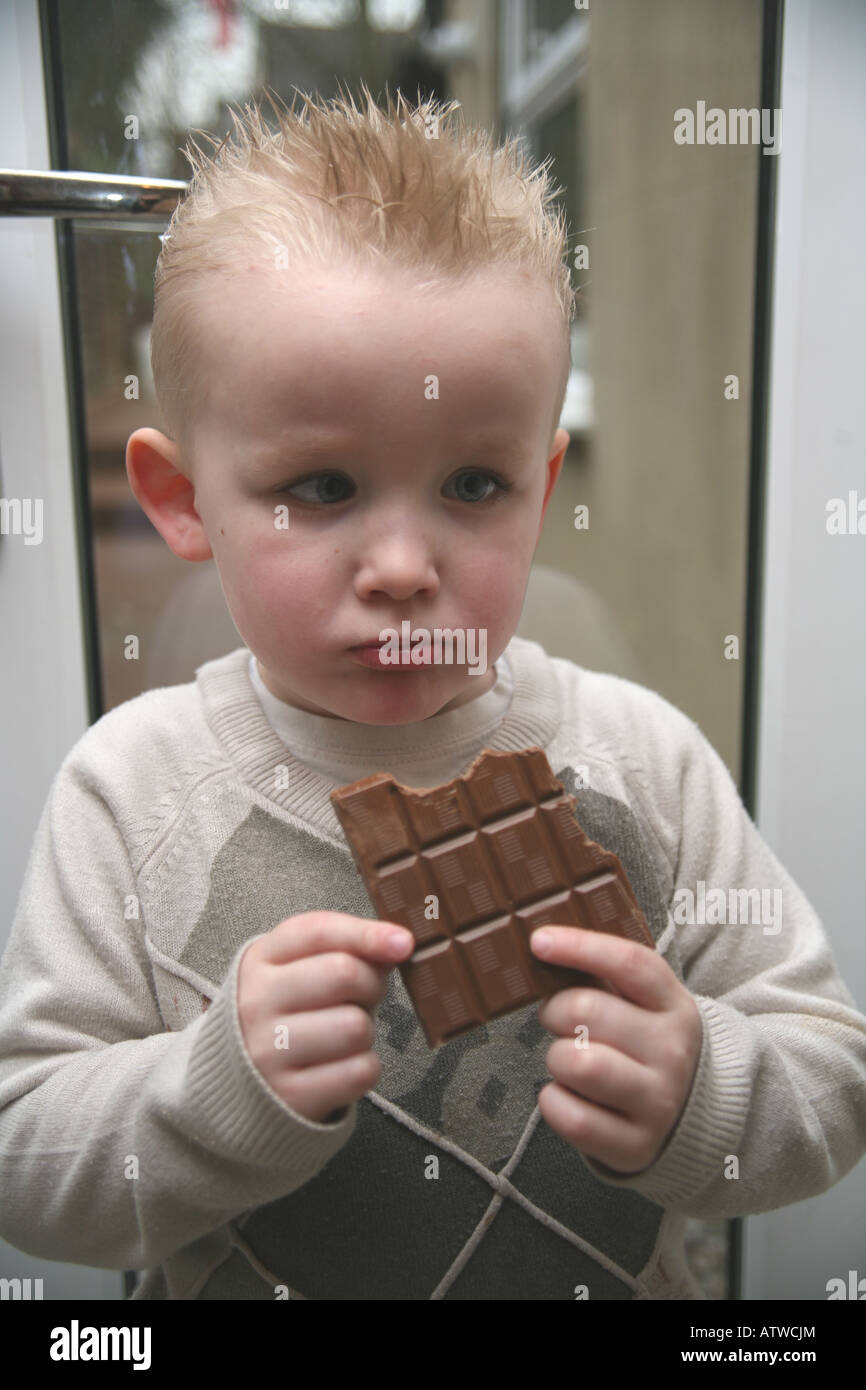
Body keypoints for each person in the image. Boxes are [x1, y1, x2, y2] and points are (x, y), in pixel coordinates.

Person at [0, 85, 864, 1302]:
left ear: (542, 476)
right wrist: (212, 1090)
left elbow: (828, 1081)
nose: (404, 569)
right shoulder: (131, 792)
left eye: (470, 484)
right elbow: (27, 1169)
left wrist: (702, 1092)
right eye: (322, 484)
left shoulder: (640, 763)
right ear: (184, 498)